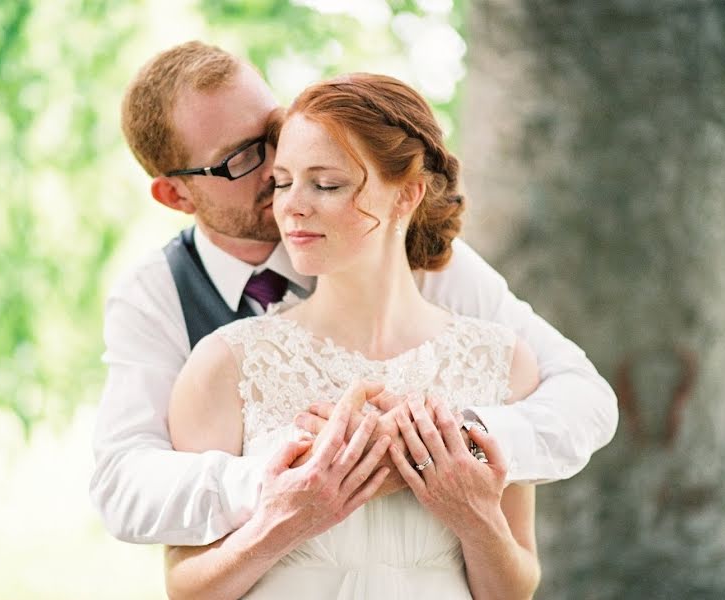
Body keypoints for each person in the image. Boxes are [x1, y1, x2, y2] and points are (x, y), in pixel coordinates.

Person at [90, 40, 616, 550]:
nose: (279, 161)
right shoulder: (154, 294)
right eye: (240, 159)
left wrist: (453, 439)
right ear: (176, 194)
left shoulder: (410, 252)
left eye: (273, 128)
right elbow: (122, 485)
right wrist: (282, 478)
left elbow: (585, 400)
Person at [163, 72, 541, 599]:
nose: (292, 205)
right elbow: (185, 589)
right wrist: (288, 521)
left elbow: (514, 591)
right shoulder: (227, 365)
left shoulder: (501, 362)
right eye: (283, 182)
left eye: (327, 184)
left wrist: (474, 514)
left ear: (406, 195)